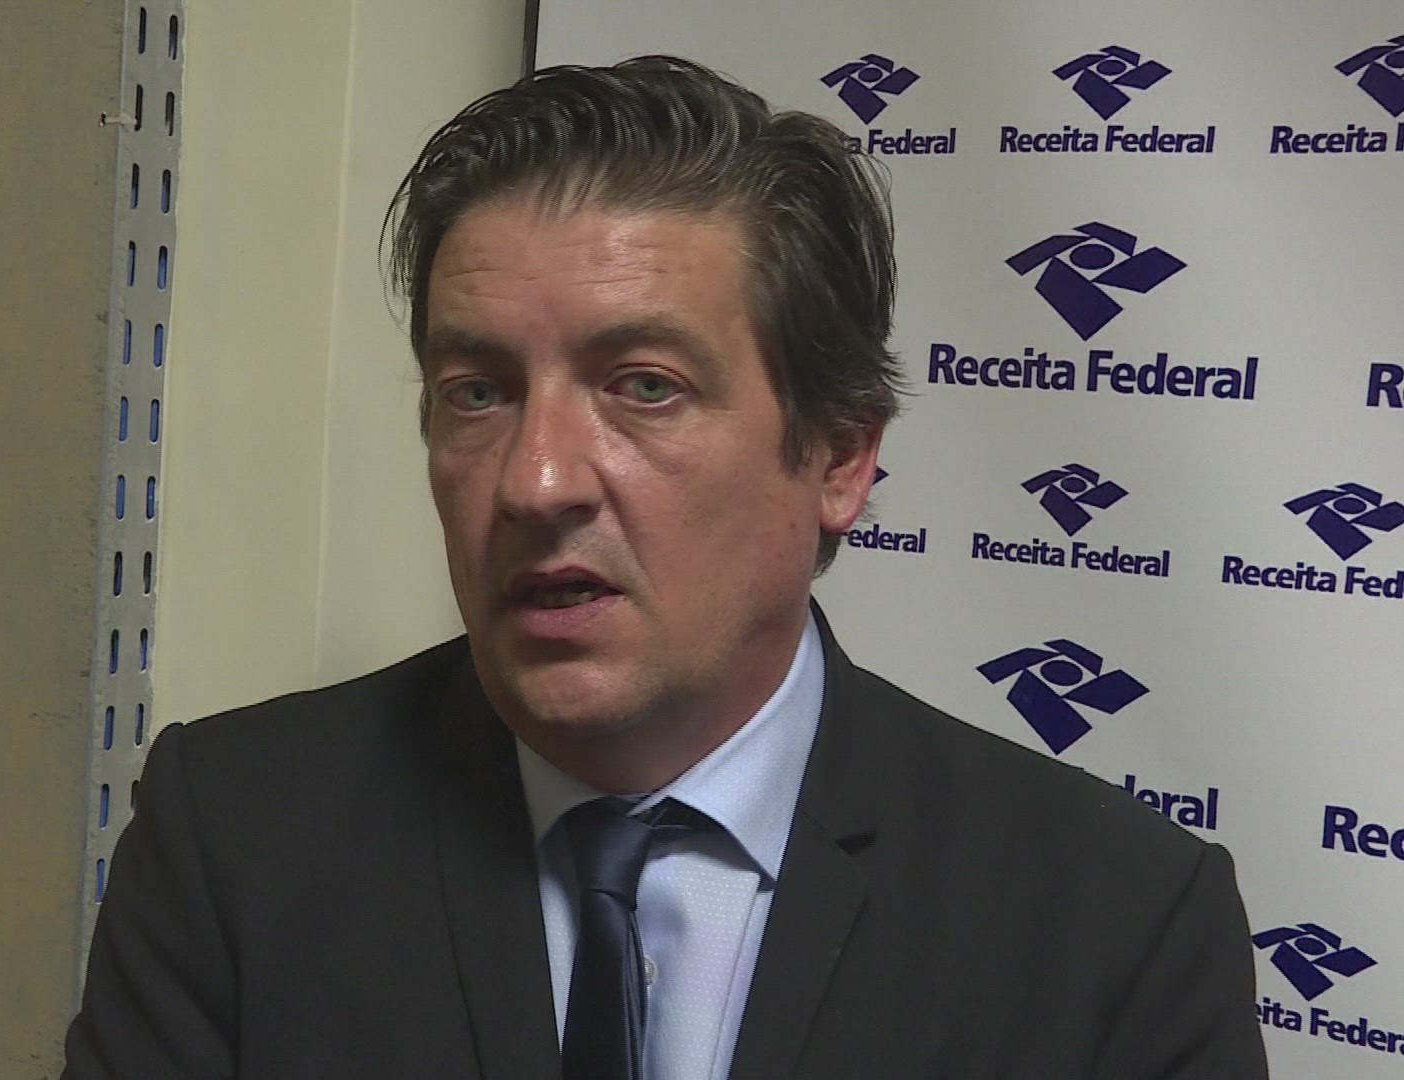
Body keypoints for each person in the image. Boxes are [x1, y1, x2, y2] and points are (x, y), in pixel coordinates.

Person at [62, 56, 1268, 1079]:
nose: (537, 481)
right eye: (477, 392)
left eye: (645, 386)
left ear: (838, 456)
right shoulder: (236, 835)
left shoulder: (1115, 926)